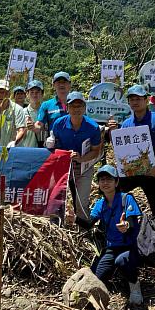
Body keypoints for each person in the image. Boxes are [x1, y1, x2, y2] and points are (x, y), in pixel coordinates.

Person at [107, 85, 155, 224]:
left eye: (138, 99)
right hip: (133, 171)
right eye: (132, 99)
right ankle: (120, 223)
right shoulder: (126, 123)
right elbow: (120, 149)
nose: (135, 102)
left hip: (154, 172)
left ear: (145, 100)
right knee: (117, 193)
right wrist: (112, 132)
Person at [87, 164, 144, 306]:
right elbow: (89, 224)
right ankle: (119, 279)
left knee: (122, 261)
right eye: (102, 180)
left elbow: (131, 221)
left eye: (109, 179)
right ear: (98, 184)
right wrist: (73, 218)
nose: (105, 183)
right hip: (112, 248)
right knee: (98, 275)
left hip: (131, 246)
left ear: (116, 182)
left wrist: (126, 226)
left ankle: (134, 286)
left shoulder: (126, 199)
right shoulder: (100, 203)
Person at [47, 91, 102, 226]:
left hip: (85, 166)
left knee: (81, 201)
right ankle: (56, 228)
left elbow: (96, 151)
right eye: (73, 106)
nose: (76, 109)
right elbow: (52, 146)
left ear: (84, 108)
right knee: (57, 198)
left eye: (79, 106)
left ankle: (83, 230)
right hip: (62, 167)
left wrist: (81, 158)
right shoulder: (59, 124)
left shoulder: (93, 127)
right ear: (67, 108)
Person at [35, 71, 71, 139]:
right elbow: (39, 125)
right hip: (54, 146)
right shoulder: (46, 105)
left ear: (70, 84)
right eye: (58, 82)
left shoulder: (77, 102)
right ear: (53, 85)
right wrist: (33, 127)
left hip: (75, 147)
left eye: (64, 82)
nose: (61, 85)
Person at [24, 80, 45, 147]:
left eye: (37, 92)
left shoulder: (47, 111)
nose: (34, 95)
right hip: (27, 150)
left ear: (42, 94)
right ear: (27, 94)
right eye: (32, 92)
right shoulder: (21, 112)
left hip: (45, 151)